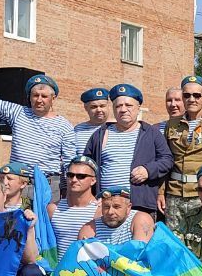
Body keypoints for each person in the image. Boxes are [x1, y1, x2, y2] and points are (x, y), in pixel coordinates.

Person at [0, 55, 73, 187]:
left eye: (44, 96)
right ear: (29, 97)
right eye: (35, 95)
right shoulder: (17, 112)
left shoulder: (64, 126)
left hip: (49, 186)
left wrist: (68, 191)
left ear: (53, 98)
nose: (39, 100)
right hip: (17, 182)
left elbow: (69, 162)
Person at [82, 84, 172, 218]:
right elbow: (87, 167)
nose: (123, 109)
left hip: (140, 206)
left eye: (128, 105)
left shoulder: (151, 133)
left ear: (138, 108)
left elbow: (167, 160)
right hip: (106, 205)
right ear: (113, 108)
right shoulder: (100, 134)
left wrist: (148, 170)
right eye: (118, 106)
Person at [162, 75, 202, 231]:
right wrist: (160, 193)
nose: (191, 99)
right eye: (187, 95)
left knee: (199, 240)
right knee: (174, 241)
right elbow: (165, 159)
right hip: (175, 193)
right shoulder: (171, 124)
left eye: (197, 95)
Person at [50, 155, 101, 252]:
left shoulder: (99, 210)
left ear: (93, 180)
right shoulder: (53, 208)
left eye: (81, 176)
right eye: (70, 175)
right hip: (57, 266)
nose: (74, 180)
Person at [79, 186, 155, 245]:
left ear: (128, 207)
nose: (110, 212)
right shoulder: (90, 228)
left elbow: (140, 254)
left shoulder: (141, 219)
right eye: (106, 207)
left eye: (116, 207)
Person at [73, 87, 111, 157]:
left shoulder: (115, 128)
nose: (99, 110)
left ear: (108, 106)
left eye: (102, 106)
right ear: (86, 108)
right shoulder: (78, 130)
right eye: (94, 107)